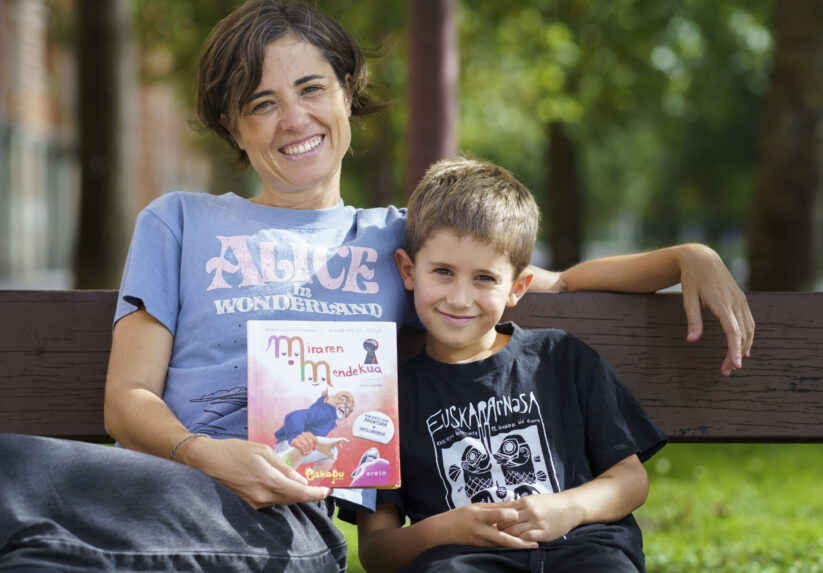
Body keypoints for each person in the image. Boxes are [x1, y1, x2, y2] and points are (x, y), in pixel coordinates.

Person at [0, 1, 748, 570]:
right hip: (168, 483)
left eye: (310, 88)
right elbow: (126, 402)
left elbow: (549, 278)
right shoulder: (178, 221)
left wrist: (688, 255)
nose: (293, 118)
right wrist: (204, 453)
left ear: (347, 90)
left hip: (291, 519)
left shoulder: (403, 240)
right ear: (232, 125)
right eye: (261, 102)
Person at [353, 157, 667, 572]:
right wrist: (445, 530)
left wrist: (567, 509)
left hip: (584, 553)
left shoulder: (561, 359)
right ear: (408, 271)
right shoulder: (384, 399)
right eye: (443, 272)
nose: (460, 298)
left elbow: (630, 481)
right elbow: (376, 552)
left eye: (484, 278)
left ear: (516, 288)